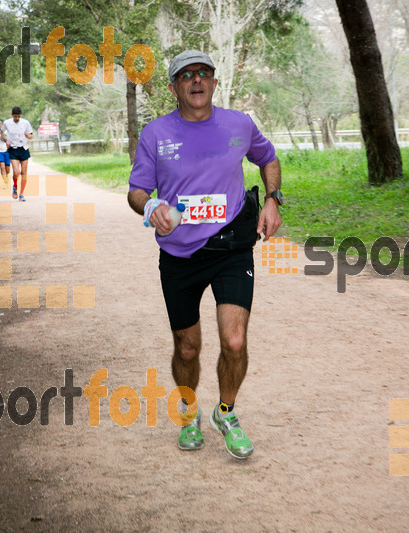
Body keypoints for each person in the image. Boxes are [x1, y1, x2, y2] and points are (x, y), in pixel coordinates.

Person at [127, 50, 284, 460]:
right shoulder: (156, 134)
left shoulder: (239, 124)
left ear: (214, 82)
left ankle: (226, 413)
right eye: (186, 75)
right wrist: (150, 208)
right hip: (180, 255)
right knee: (188, 349)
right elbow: (137, 190)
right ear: (173, 86)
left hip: (232, 246)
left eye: (204, 74)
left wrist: (272, 199)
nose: (196, 81)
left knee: (234, 340)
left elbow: (267, 158)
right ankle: (189, 409)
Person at [2, 106, 33, 201]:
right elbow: (2, 133)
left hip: (23, 148)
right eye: (15, 116)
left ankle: (21, 194)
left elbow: (31, 135)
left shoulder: (25, 122)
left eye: (18, 116)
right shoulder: (7, 122)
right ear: (12, 115)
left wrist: (28, 136)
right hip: (13, 149)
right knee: (16, 172)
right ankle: (15, 187)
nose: (17, 118)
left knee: (24, 173)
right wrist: (6, 140)